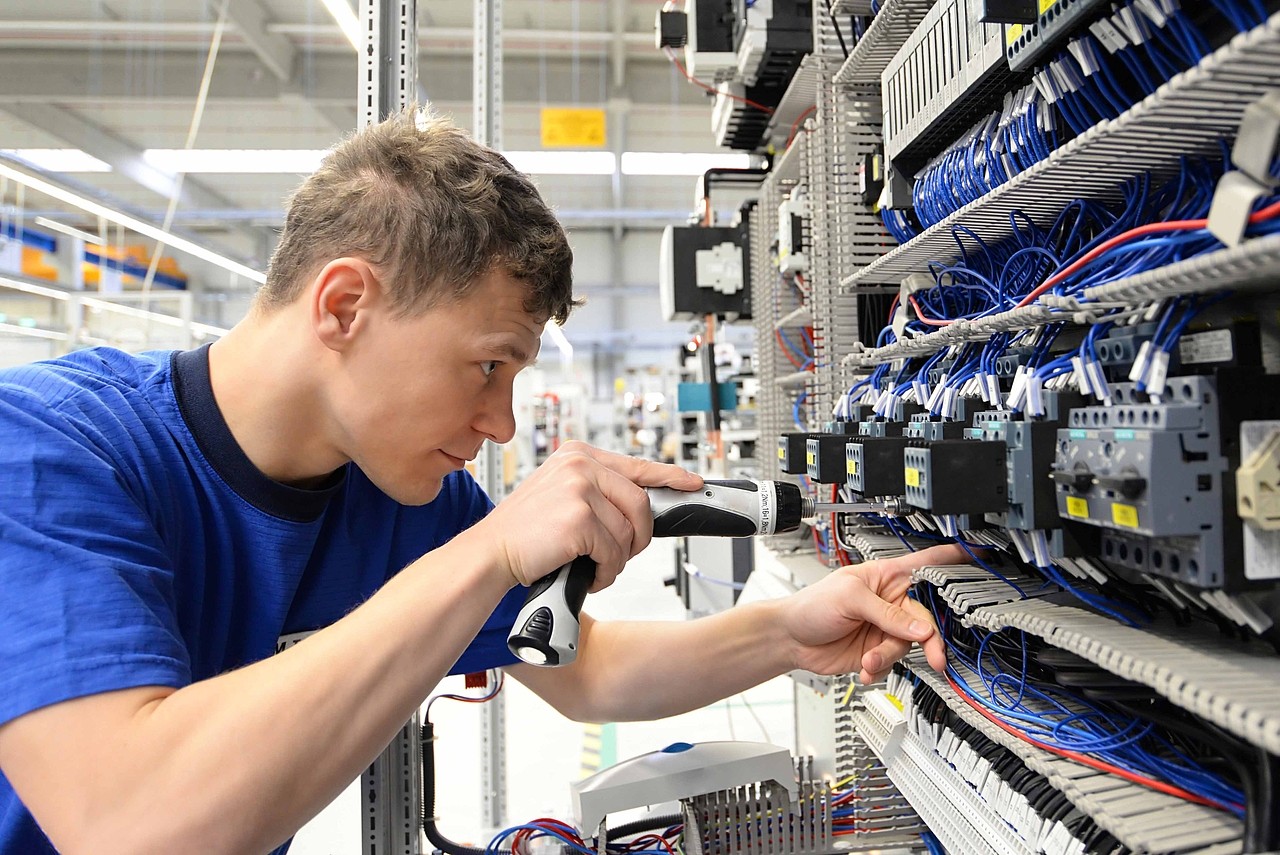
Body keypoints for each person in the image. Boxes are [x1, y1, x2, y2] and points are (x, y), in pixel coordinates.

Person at [0, 107, 959, 855]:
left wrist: (787, 632)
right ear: (344, 305)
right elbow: (131, 824)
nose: (501, 423)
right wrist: (489, 553)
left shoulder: (398, 493)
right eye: (488, 365)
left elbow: (581, 670)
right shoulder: (50, 451)